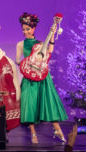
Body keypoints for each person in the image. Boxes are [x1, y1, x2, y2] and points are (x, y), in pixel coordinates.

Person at [16, 13, 68, 144]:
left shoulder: (40, 44)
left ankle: (57, 129)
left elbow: (49, 51)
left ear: (33, 28)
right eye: (24, 30)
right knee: (29, 104)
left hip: (42, 76)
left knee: (48, 102)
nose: (26, 32)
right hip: (30, 77)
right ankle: (33, 133)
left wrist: (52, 33)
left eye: (28, 29)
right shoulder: (20, 44)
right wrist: (29, 63)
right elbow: (18, 60)